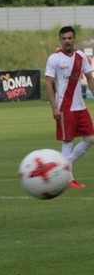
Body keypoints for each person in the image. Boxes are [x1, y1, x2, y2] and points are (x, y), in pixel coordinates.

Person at [45, 25, 94, 188]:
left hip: (80, 106)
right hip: (64, 107)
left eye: (69, 38)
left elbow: (89, 77)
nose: (67, 41)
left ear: (74, 39)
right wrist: (54, 107)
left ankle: (65, 163)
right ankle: (68, 178)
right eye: (64, 38)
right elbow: (49, 82)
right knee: (68, 141)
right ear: (60, 40)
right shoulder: (54, 58)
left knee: (91, 138)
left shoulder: (81, 56)